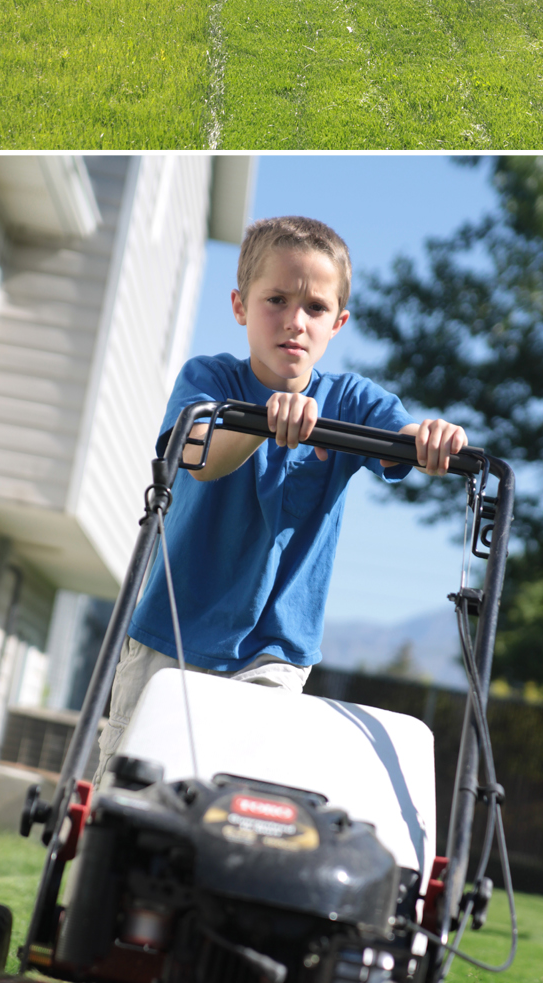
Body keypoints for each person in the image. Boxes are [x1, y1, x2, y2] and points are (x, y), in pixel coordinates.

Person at [93, 215, 467, 786]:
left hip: (273, 654)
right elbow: (202, 456)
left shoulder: (350, 400)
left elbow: (404, 443)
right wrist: (265, 423)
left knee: (234, 804)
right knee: (126, 794)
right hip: (171, 633)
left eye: (315, 308)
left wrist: (432, 437)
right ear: (241, 306)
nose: (295, 322)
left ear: (338, 322)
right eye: (276, 300)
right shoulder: (210, 381)